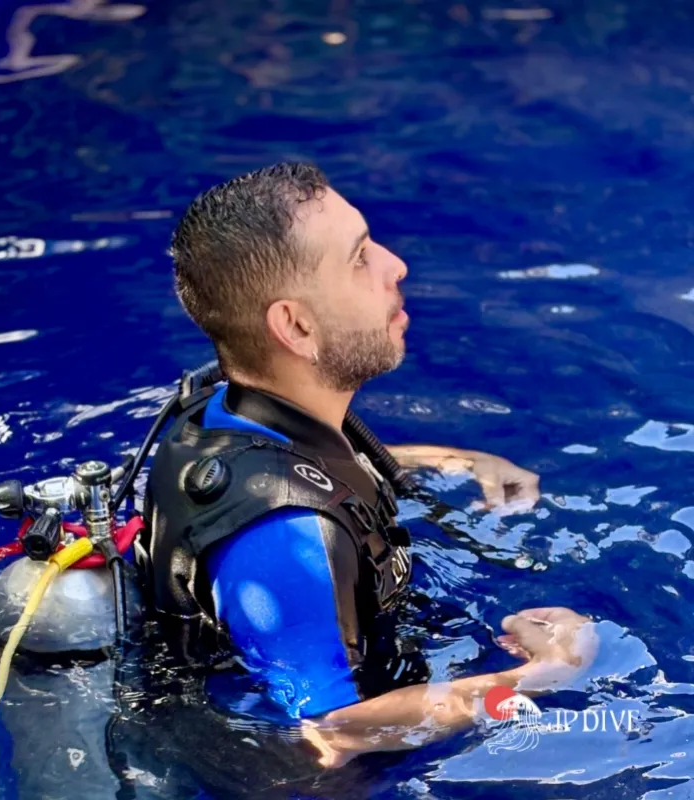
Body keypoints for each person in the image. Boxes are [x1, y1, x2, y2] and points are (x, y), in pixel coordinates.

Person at [137, 162, 597, 770]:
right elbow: (328, 735)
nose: (395, 265)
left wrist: (456, 460)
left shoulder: (230, 407)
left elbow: (316, 468)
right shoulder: (284, 538)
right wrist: (545, 673)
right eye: (359, 258)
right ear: (296, 326)